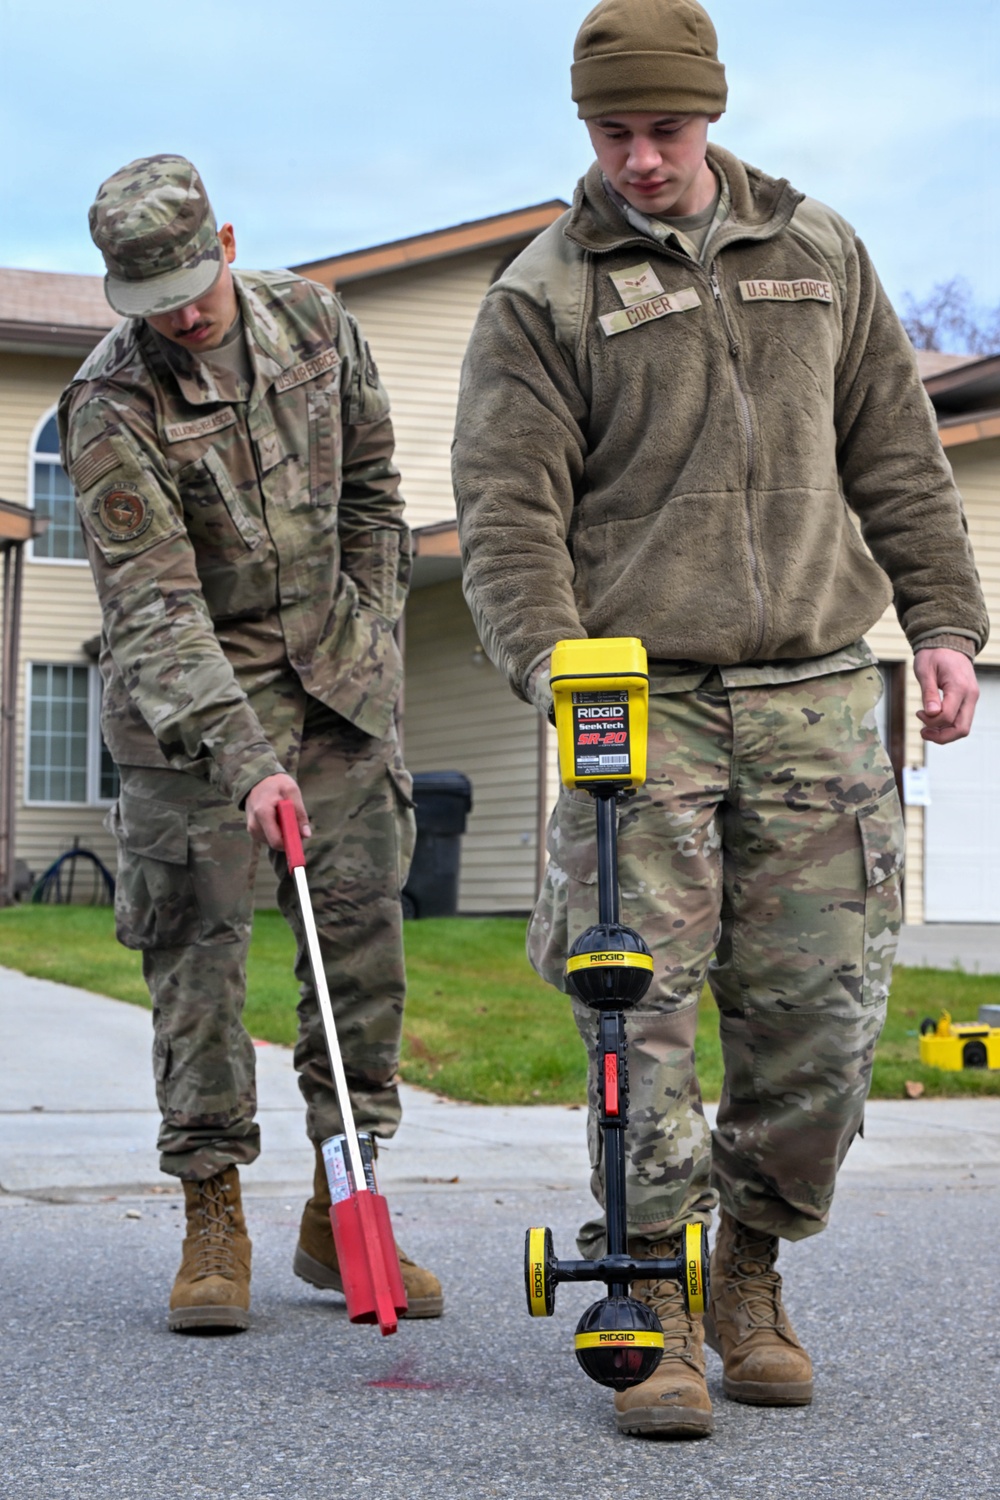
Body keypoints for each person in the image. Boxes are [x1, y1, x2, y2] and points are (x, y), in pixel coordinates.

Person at [452, 0, 986, 1439]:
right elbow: (507, 518)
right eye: (612, 131)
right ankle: (653, 1297)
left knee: (822, 1023)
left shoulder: (818, 251)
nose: (640, 157)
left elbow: (898, 450)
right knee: (638, 1021)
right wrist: (556, 669)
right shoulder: (540, 295)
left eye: (666, 128)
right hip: (644, 702)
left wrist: (944, 624)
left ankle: (747, 1267)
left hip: (817, 692)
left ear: (715, 114)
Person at [59, 155, 442, 1332]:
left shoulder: (317, 324)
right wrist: (244, 760)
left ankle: (343, 1208)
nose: (180, 318)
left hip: (337, 690)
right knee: (198, 965)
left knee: (360, 959)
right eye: (152, 301)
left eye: (191, 288)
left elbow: (376, 497)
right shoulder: (109, 403)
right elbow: (154, 609)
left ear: (224, 242)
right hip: (188, 720)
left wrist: (369, 643)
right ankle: (212, 1213)